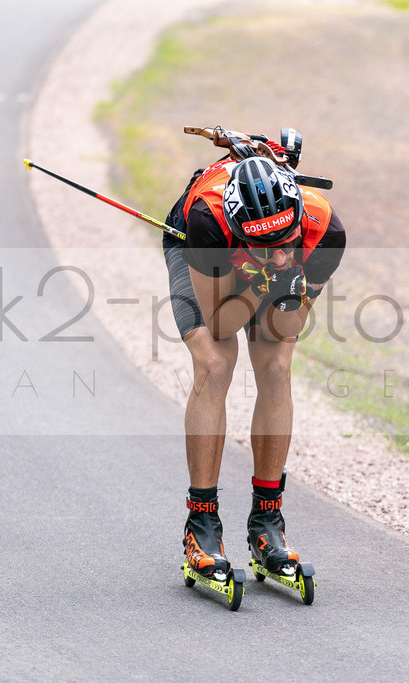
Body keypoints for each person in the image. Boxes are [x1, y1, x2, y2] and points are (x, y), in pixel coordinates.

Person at [162, 145, 345, 581]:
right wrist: (262, 277)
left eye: (286, 243)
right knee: (215, 363)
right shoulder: (208, 221)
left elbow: (284, 329)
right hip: (206, 251)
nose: (282, 254)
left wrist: (280, 278)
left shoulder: (326, 232)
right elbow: (223, 322)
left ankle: (267, 523)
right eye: (268, 247)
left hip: (252, 260)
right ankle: (202, 524)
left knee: (277, 367)